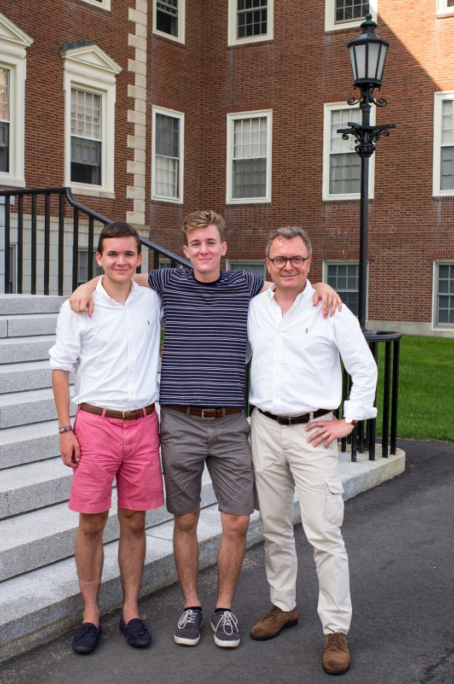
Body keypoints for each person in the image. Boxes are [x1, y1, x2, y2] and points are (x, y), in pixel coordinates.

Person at [68, 210, 341, 649]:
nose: (204, 251)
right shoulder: (166, 284)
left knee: (235, 520)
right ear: (185, 250)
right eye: (196, 244)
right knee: (186, 518)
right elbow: (120, 278)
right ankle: (192, 606)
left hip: (232, 422)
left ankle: (225, 609)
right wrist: (83, 286)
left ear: (224, 248)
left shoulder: (247, 286)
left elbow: (289, 284)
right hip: (178, 421)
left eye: (211, 243)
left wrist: (323, 285)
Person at [246, 226, 378, 675]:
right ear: (267, 263)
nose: (288, 266)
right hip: (263, 427)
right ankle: (283, 606)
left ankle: (336, 629)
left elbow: (363, 367)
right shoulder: (254, 309)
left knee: (324, 533)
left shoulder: (331, 309)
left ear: (309, 263)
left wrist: (350, 420)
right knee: (275, 527)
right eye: (280, 258)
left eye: (296, 259)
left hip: (314, 432)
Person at [49, 222, 164, 655]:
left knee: (135, 520)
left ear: (139, 258)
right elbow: (61, 368)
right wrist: (65, 429)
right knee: (92, 521)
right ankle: (91, 613)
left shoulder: (153, 300)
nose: (121, 261)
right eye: (111, 254)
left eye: (128, 254)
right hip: (94, 425)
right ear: (99, 259)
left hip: (142, 423)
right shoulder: (78, 306)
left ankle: (131, 610)